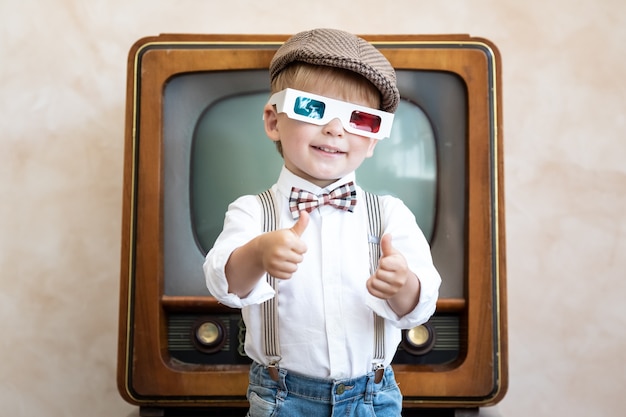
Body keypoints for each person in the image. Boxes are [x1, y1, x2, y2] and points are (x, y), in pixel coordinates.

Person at [204, 28, 441, 417]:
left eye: (359, 119)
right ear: (273, 121)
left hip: (373, 397)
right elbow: (224, 283)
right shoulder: (251, 211)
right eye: (312, 109)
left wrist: (402, 284)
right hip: (282, 398)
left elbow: (419, 306)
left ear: (373, 141)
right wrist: (259, 254)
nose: (335, 128)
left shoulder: (391, 215)